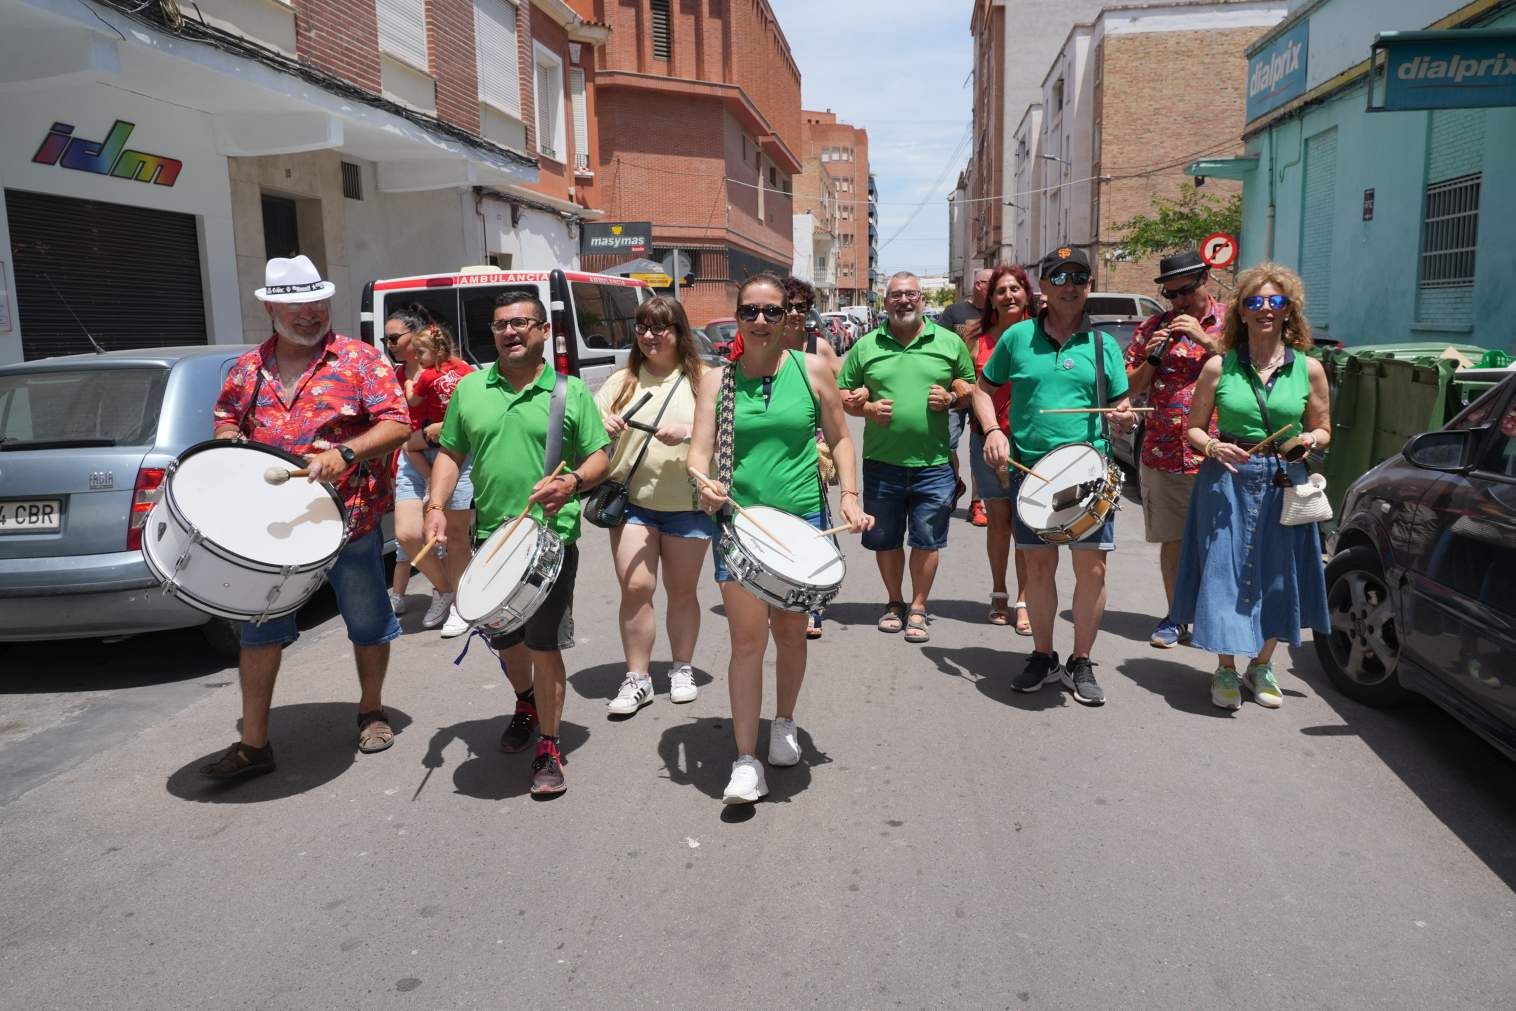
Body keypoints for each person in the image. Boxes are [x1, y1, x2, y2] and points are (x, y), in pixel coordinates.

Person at [202, 255, 411, 780]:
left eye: (317, 303)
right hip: (272, 532)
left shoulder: (359, 359)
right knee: (260, 630)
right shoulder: (248, 369)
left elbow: (397, 423)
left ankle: (371, 710)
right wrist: (231, 449)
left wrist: (346, 453)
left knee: (366, 621)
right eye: (296, 305)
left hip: (351, 522)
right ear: (272, 306)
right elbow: (227, 419)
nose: (309, 314)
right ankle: (254, 744)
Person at [688, 273, 870, 806]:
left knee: (791, 635)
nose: (762, 321)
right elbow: (698, 453)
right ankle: (745, 759)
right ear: (738, 316)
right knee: (747, 643)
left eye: (773, 311)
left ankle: (784, 721)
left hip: (802, 527)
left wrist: (851, 497)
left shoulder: (812, 369)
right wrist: (706, 485)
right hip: (740, 529)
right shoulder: (716, 381)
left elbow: (840, 438)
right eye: (751, 311)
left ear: (791, 314)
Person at [423, 293, 610, 796]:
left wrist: (572, 483)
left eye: (522, 323)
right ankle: (526, 700)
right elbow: (450, 453)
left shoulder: (568, 393)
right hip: (492, 538)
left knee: (544, 645)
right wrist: (435, 506)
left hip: (550, 540)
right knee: (506, 639)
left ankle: (549, 745)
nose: (511, 332)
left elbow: (599, 458)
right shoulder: (470, 389)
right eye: (502, 324)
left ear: (544, 331)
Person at [972, 246, 1137, 707]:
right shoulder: (1017, 339)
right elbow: (983, 392)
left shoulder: (1104, 346)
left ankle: (1080, 660)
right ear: (1041, 287)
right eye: (1058, 277)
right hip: (1033, 472)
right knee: (1039, 568)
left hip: (1090, 472)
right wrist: (992, 431)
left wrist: (1124, 420)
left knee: (1092, 569)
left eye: (1078, 277)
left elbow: (1120, 408)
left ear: (1089, 285)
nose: (1069, 285)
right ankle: (1043, 654)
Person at [1171, 263, 1331, 712]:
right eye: (1254, 301)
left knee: (1279, 575)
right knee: (1223, 572)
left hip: (1285, 481)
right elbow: (1194, 430)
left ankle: (1261, 665)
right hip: (1227, 481)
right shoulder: (1219, 367)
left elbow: (1323, 428)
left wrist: (1308, 441)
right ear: (1240, 311)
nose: (1265, 309)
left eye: (1275, 301)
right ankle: (1225, 667)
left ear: (1288, 310)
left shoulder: (1310, 369)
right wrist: (1214, 447)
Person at [838, 271, 977, 645]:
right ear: (886, 303)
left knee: (927, 539)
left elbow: (968, 388)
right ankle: (894, 601)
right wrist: (866, 407)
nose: (904, 301)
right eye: (896, 295)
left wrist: (951, 398)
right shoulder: (866, 346)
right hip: (882, 463)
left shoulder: (948, 342)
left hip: (934, 463)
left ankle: (918, 605)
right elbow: (844, 396)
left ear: (922, 300)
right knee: (885, 539)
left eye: (911, 294)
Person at [594, 296, 713, 716]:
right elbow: (587, 430)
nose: (649, 336)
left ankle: (681, 667)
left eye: (660, 327)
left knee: (682, 592)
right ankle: (638, 677)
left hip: (688, 502)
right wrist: (600, 423)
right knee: (636, 588)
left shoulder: (702, 380)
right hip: (633, 503)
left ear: (679, 332)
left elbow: (728, 433)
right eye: (642, 327)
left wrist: (690, 430)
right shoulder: (622, 380)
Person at [1123, 251, 1224, 649]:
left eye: (1185, 291)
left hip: (1219, 451)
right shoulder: (1152, 328)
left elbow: (1250, 371)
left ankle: (1214, 617)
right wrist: (1154, 355)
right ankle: (1177, 615)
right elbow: (1130, 386)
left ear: (1205, 280)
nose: (1178, 301)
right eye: (1171, 294)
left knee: (1218, 540)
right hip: (1164, 451)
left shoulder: (1232, 322)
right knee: (1173, 540)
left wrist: (1206, 341)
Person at [384, 307, 474, 637]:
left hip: (451, 454)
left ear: (418, 336)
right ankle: (446, 590)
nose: (389, 344)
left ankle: (461, 604)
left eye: (394, 337)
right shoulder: (392, 375)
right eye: (386, 339)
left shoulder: (450, 369)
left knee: (453, 538)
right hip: (412, 456)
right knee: (408, 535)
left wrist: (443, 428)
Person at [958, 265, 1035, 635]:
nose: (1008, 296)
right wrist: (957, 387)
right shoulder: (976, 337)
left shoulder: (1042, 335)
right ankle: (999, 591)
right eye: (1001, 290)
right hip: (986, 440)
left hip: (1030, 443)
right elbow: (961, 379)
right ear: (991, 299)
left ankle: (1024, 599)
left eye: (1015, 288)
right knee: (999, 520)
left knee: (1027, 522)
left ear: (1027, 293)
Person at [938, 268, 993, 523]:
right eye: (988, 283)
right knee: (946, 442)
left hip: (987, 388)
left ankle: (977, 502)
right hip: (956, 387)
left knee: (981, 447)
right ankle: (954, 483)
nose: (992, 287)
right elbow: (939, 346)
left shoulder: (998, 313)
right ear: (977, 284)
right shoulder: (954, 312)